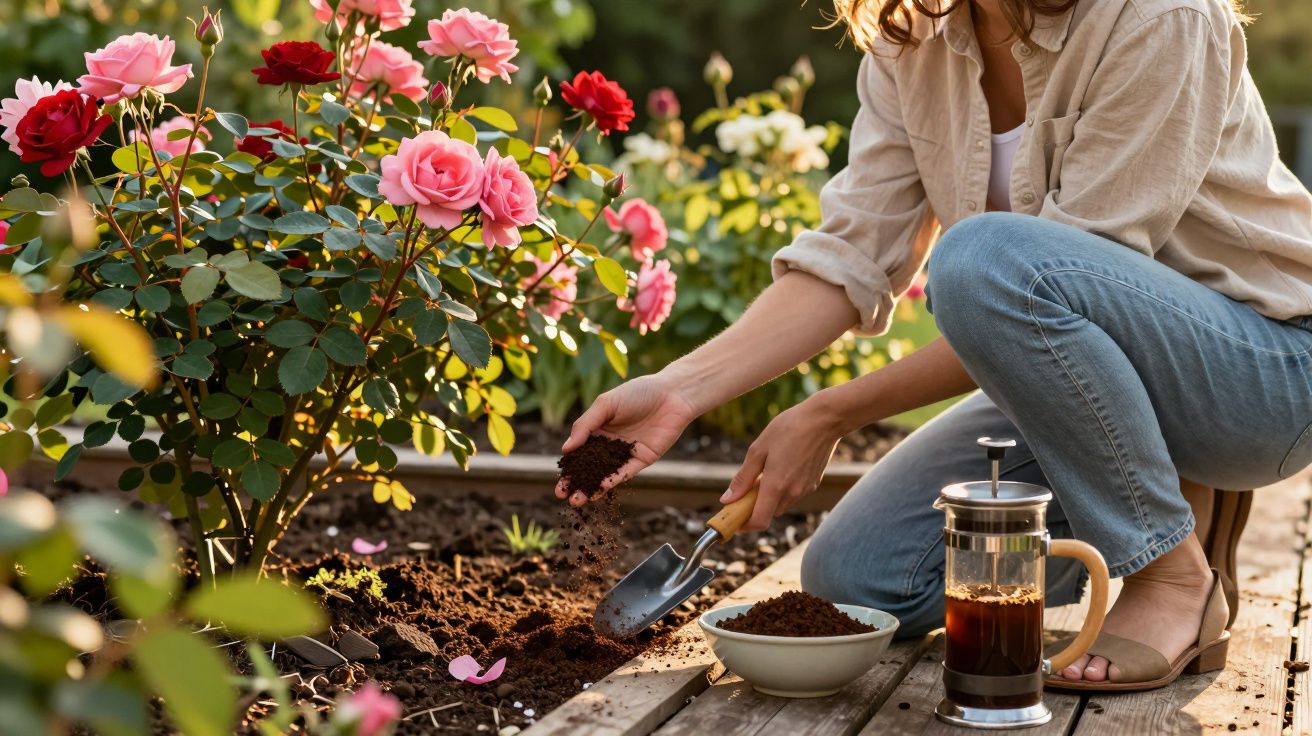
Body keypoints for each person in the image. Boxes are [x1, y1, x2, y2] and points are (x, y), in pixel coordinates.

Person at [557, 0, 1312, 691]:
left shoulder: (1160, 14)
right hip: (1088, 382)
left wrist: (830, 412)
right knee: (856, 578)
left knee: (983, 258)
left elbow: (1039, 277)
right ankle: (1164, 493)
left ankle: (1174, 575)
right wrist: (684, 389)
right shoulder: (914, 36)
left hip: (1264, 372)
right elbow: (848, 258)